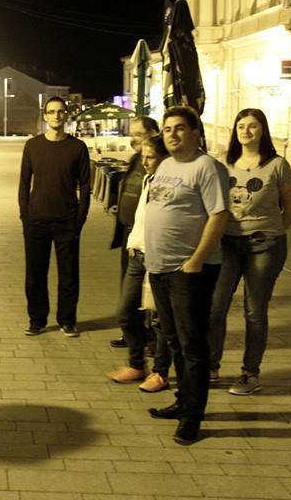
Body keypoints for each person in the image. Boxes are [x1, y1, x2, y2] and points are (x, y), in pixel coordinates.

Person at [145, 106, 230, 446]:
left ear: (196, 132)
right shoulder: (166, 165)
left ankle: (192, 418)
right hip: (160, 267)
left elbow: (219, 215)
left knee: (193, 345)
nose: (173, 134)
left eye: (180, 128)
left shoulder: (207, 167)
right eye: (167, 129)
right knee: (175, 340)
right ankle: (184, 403)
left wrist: (196, 260)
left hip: (188, 270)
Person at [208, 109, 291, 395]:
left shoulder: (277, 165)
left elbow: (290, 207)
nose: (246, 131)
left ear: (262, 130)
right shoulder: (224, 162)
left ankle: (250, 373)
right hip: (228, 243)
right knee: (215, 306)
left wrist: (272, 231)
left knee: (254, 311)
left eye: (253, 126)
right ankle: (211, 366)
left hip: (264, 244)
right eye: (241, 126)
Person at [18, 96, 90, 337]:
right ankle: (37, 320)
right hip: (36, 220)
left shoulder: (77, 147)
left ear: (66, 115)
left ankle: (67, 320)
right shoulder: (32, 145)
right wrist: (24, 215)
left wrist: (79, 220)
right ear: (45, 115)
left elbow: (86, 186)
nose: (57, 115)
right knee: (35, 275)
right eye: (52, 111)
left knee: (68, 274)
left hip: (66, 220)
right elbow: (24, 182)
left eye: (61, 111)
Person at [106, 135, 172, 392]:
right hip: (138, 254)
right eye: (143, 156)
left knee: (159, 319)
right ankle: (136, 364)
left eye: (151, 157)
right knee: (125, 311)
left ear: (164, 158)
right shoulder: (148, 178)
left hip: (160, 257)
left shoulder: (170, 183)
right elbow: (141, 216)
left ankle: (161, 372)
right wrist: (133, 241)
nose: (144, 162)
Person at [108, 116, 160, 348]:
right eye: (133, 134)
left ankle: (148, 336)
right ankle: (132, 333)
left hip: (147, 238)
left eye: (139, 134)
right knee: (127, 286)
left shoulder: (158, 162)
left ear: (153, 133)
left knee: (147, 289)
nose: (134, 138)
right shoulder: (135, 159)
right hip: (130, 234)